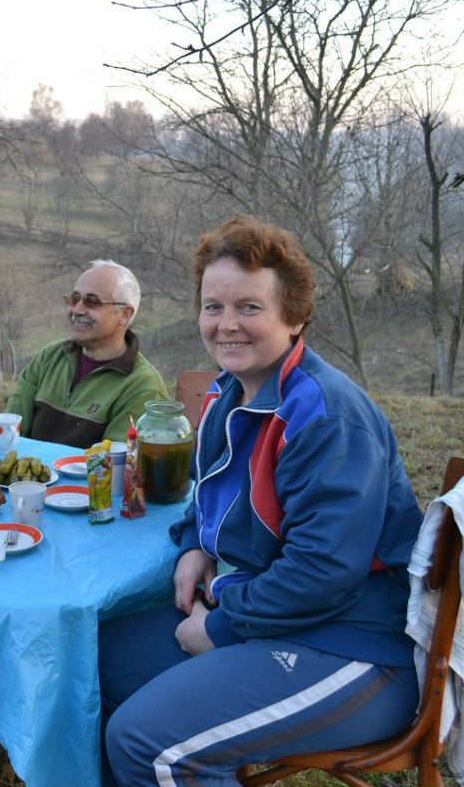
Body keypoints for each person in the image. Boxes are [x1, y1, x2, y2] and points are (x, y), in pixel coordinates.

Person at [99, 217, 424, 786]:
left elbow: (322, 573)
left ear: (294, 317)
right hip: (271, 614)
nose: (226, 324)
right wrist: (195, 544)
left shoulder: (325, 417)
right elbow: (209, 492)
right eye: (213, 307)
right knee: (91, 660)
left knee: (148, 745)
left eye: (249, 307)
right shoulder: (229, 393)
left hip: (357, 647)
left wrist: (221, 627)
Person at [5, 259, 168, 448]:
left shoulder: (143, 387)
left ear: (125, 314)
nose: (77, 309)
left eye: (92, 302)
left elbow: (115, 461)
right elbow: (9, 433)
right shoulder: (48, 357)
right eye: (74, 299)